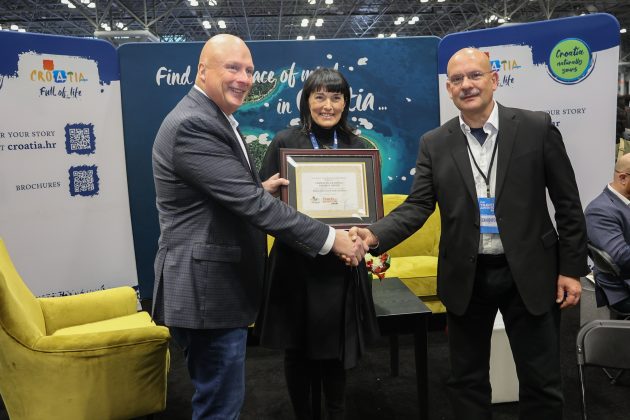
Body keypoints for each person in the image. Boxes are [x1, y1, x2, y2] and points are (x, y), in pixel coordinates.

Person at [350, 47, 588, 420]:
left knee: (541, 382)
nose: (467, 85)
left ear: (494, 79)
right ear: (449, 89)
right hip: (467, 275)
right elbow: (418, 206)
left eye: (475, 75)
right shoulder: (435, 142)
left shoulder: (536, 127)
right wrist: (372, 235)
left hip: (531, 272)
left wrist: (570, 269)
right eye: (457, 79)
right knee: (466, 380)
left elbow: (568, 203)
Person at [151, 35, 367, 420]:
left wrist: (259, 189)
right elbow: (251, 206)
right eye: (232, 68)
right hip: (208, 293)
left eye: (249, 70)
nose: (244, 78)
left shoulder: (212, 117)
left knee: (219, 400)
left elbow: (232, 193)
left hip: (215, 291)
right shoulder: (195, 124)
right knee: (219, 407)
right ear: (202, 71)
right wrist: (331, 238)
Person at [254, 68, 380, 420]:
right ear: (306, 101)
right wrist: (268, 194)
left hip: (341, 266)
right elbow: (264, 207)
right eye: (320, 97)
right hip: (296, 264)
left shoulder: (360, 147)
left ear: (346, 102)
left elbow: (369, 212)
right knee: (297, 350)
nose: (328, 105)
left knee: (338, 348)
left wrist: (359, 238)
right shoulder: (284, 141)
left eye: (336, 97)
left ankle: (336, 412)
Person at [585, 153, 630, 313]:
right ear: (623, 178)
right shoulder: (600, 211)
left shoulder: (624, 203)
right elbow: (623, 258)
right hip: (623, 290)